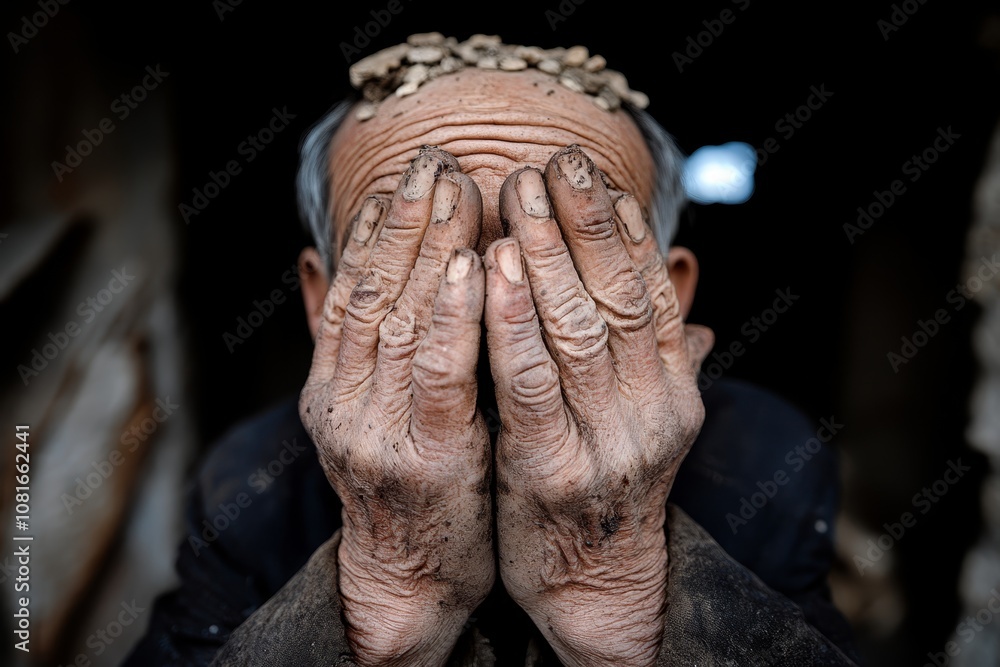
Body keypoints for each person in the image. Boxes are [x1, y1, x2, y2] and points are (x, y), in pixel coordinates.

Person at [125, 35, 860, 666]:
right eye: (416, 258)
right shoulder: (254, 482)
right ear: (326, 301)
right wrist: (389, 597)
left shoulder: (759, 458)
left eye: (558, 255)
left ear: (663, 297)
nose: (484, 313)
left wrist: (617, 605)